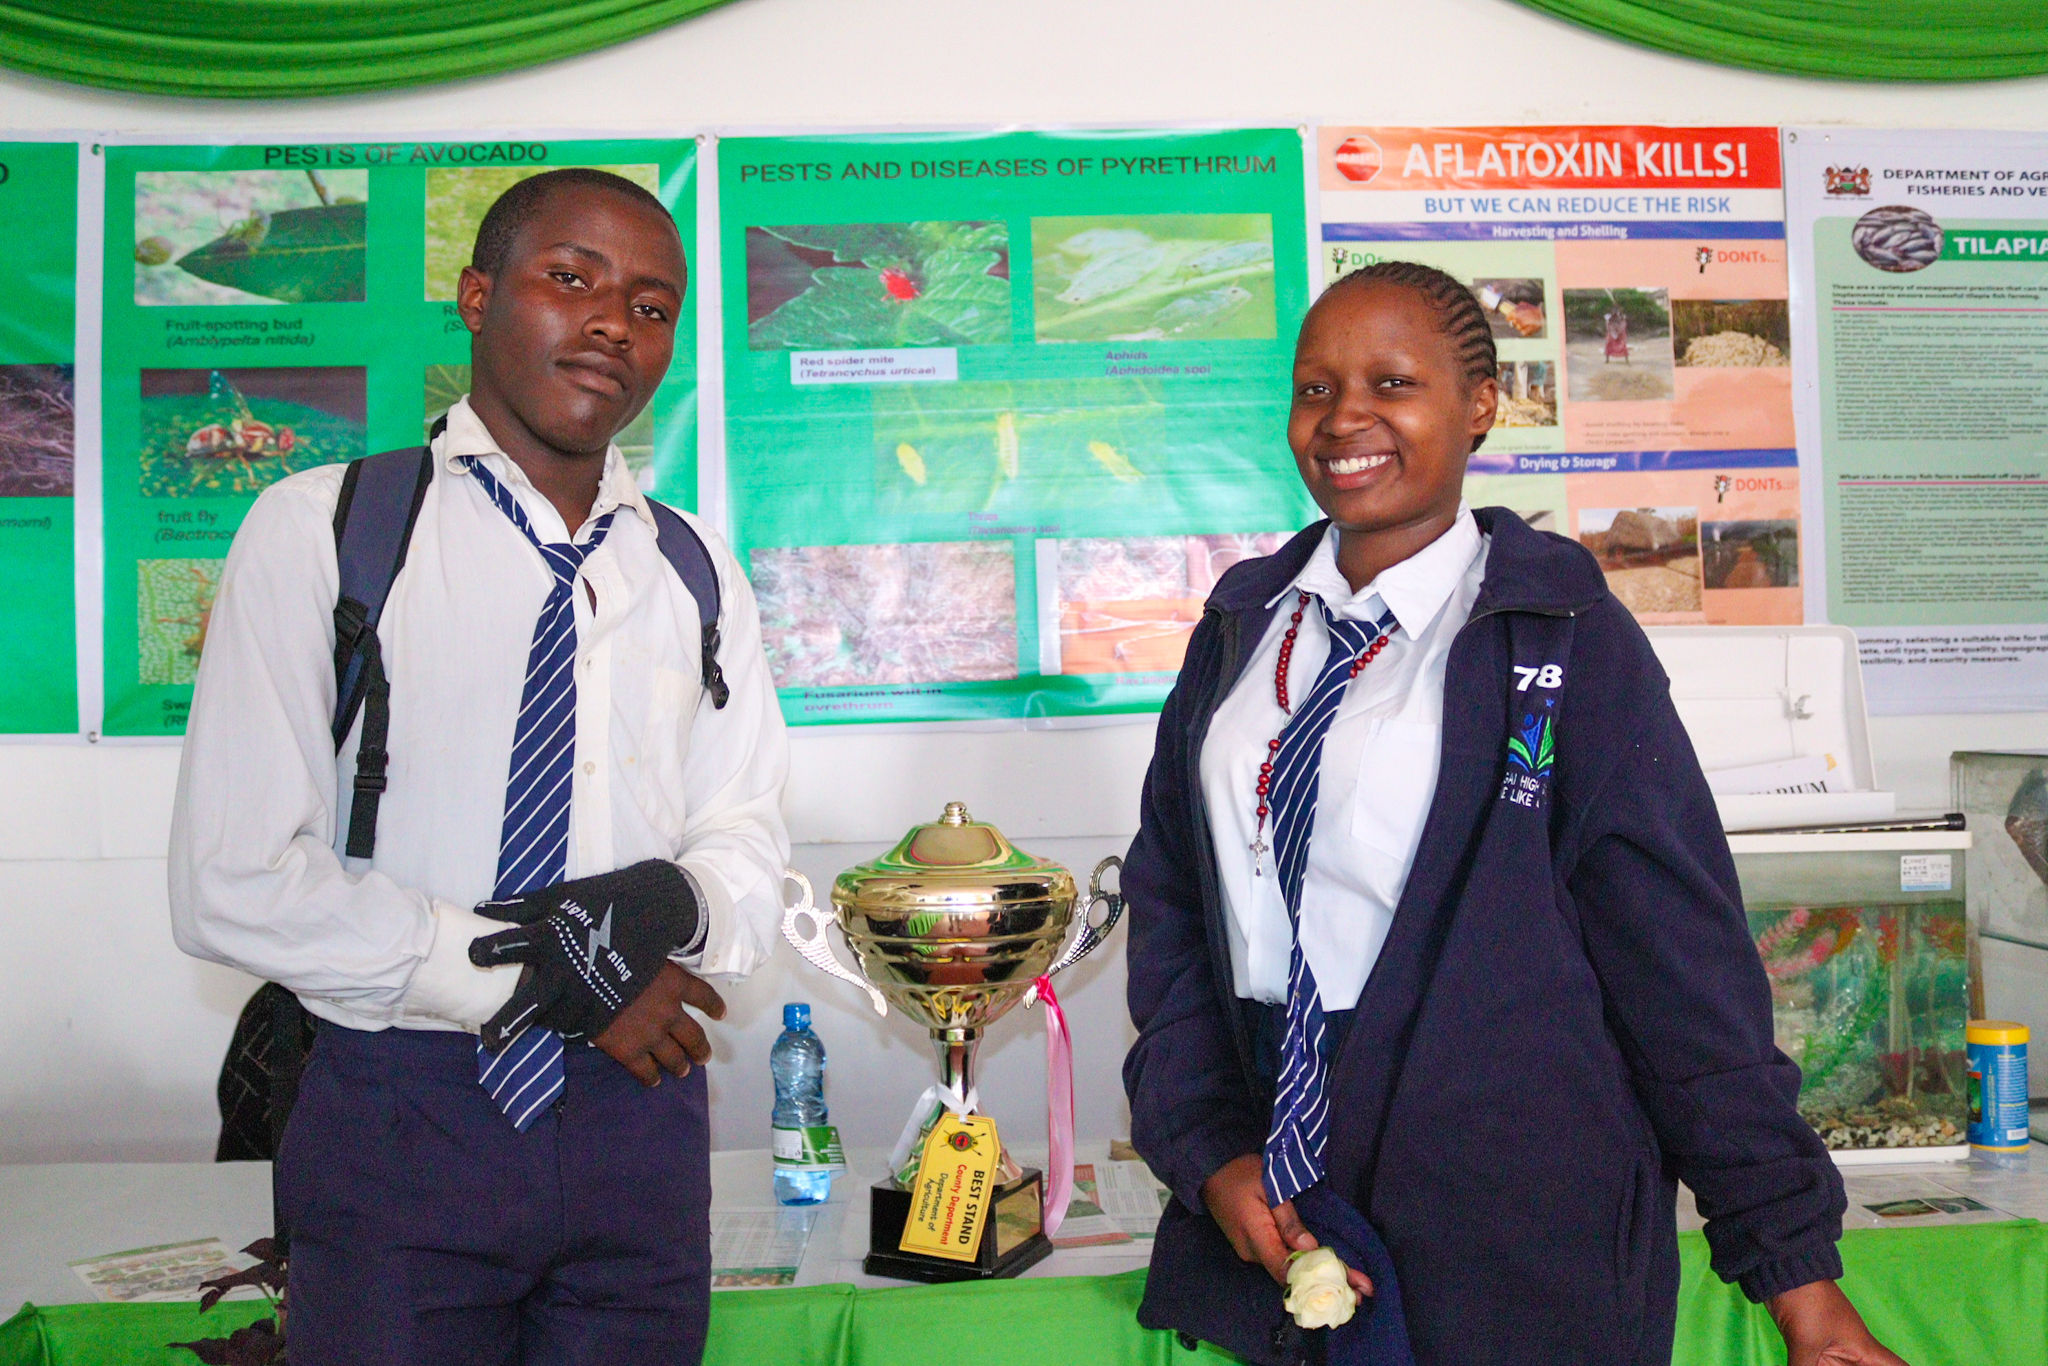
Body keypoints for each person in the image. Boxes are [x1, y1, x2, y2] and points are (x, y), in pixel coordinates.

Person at [1121, 261, 1905, 1366]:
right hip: (1288, 1212)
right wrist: (1208, 1153)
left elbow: (1677, 969)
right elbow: (1173, 933)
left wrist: (1796, 1280)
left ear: (1479, 404)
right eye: (1314, 388)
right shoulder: (1240, 632)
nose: (1344, 418)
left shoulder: (1559, 631)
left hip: (1519, 1226)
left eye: (1391, 382)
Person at [169, 168, 790, 1365]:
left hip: (640, 1119)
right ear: (475, 295)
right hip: (405, 1109)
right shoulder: (329, 529)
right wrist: (530, 972)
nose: (613, 321)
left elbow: (750, 848)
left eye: (652, 306)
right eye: (571, 280)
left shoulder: (695, 570)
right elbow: (231, 878)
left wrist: (660, 906)